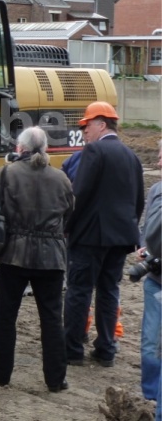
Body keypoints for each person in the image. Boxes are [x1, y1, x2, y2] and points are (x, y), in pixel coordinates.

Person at [0, 127, 73, 392]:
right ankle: (56, 380)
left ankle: (1, 375)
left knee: (5, 317)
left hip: (13, 254)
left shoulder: (7, 173)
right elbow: (70, 212)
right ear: (45, 148)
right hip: (51, 257)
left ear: (20, 148)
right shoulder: (61, 178)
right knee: (52, 319)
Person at [64, 101, 145, 367]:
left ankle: (73, 350)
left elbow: (79, 194)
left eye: (86, 126)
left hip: (90, 237)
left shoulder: (95, 151)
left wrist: (67, 226)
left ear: (100, 124)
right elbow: (138, 200)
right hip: (121, 238)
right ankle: (106, 350)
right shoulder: (131, 156)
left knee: (79, 291)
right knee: (109, 291)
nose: (84, 132)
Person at [139, 141, 161, 420]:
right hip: (155, 278)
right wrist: (144, 248)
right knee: (149, 343)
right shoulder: (156, 190)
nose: (156, 158)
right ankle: (150, 395)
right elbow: (149, 227)